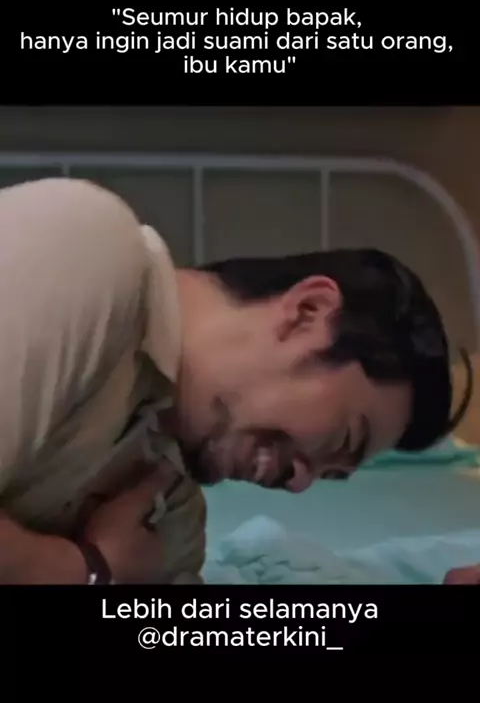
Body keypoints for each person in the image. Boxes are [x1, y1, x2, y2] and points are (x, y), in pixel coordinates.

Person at [0, 177, 472, 585]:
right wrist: (88, 569)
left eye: (330, 475)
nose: (299, 484)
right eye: (342, 439)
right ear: (308, 312)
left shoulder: (168, 522)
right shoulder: (89, 253)